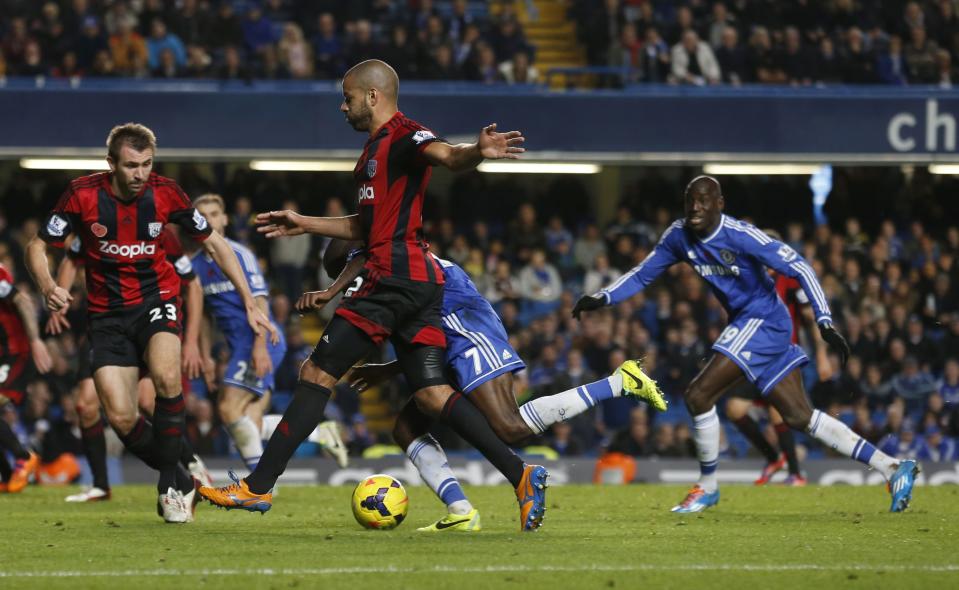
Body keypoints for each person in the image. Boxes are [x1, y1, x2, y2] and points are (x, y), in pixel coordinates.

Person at [199, 59, 547, 531]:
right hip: (418, 282)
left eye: (347, 98)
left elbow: (447, 156)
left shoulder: (406, 135)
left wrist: (477, 152)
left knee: (317, 372)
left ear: (372, 97)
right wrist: (303, 222)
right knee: (431, 394)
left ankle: (258, 486)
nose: (342, 106)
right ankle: (521, 475)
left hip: (393, 276)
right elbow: (363, 227)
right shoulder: (371, 154)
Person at [573, 176, 920, 514]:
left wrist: (824, 321)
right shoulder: (678, 236)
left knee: (697, 395)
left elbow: (800, 266)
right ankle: (891, 467)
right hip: (751, 324)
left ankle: (707, 487)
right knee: (800, 416)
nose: (696, 206)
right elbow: (643, 273)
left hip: (764, 320)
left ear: (719, 204)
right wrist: (603, 297)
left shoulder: (739, 235)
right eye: (690, 200)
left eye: (704, 200)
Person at [320, 240, 665, 531]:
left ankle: (620, 382)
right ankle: (461, 513)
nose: (349, 283)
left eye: (345, 273)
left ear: (356, 258)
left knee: (510, 427)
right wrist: (391, 369)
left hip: (467, 330)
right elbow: (417, 335)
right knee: (407, 429)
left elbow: (421, 320)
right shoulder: (391, 261)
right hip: (447, 336)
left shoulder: (391, 263)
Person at [26, 123, 276, 523]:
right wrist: (47, 285)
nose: (140, 173)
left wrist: (248, 298)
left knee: (166, 378)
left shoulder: (166, 193)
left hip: (157, 302)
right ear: (111, 164)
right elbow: (37, 247)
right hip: (107, 315)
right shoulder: (82, 194)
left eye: (146, 164)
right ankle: (183, 476)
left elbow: (214, 242)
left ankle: (168, 489)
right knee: (122, 416)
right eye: (130, 165)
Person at [48, 227, 212, 503]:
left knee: (147, 402)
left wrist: (192, 341)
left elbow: (192, 283)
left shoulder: (159, 229)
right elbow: (71, 258)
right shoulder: (91, 222)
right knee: (86, 405)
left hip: (145, 321)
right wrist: (61, 296)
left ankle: (190, 466)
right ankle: (101, 485)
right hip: (104, 324)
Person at [191, 193, 345, 472]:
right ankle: (319, 435)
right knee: (250, 421)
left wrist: (259, 346)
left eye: (214, 214)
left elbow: (260, 300)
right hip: (239, 346)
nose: (209, 221)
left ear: (224, 218)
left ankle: (257, 484)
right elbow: (202, 316)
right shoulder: (196, 266)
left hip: (259, 341)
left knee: (227, 407)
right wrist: (206, 357)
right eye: (202, 217)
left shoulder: (239, 255)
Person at [725, 228, 832, 487]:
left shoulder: (790, 280)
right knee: (734, 408)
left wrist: (822, 355)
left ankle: (796, 474)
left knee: (777, 415)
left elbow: (808, 319)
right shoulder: (751, 280)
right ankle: (774, 458)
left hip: (781, 358)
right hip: (754, 358)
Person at [0, 263, 52, 493]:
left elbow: (22, 300)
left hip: (15, 353)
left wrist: (35, 341)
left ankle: (24, 456)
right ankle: (7, 476)